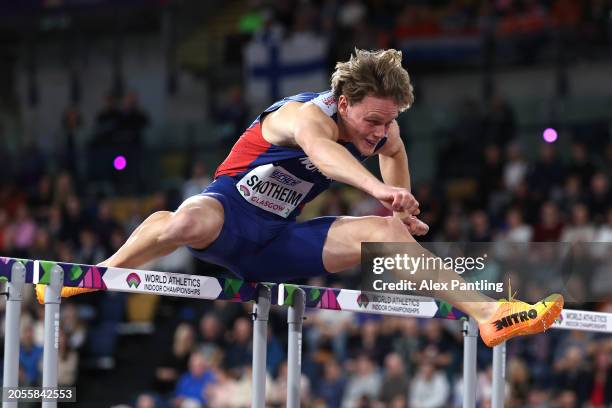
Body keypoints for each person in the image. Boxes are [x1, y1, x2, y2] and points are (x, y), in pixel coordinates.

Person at [36, 49, 563, 348]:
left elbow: (394, 158)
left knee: (387, 235)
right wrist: (376, 186)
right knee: (187, 220)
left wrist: (397, 205)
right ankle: (95, 274)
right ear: (343, 102)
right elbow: (325, 155)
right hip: (225, 221)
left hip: (276, 244)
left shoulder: (383, 130)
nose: (380, 133)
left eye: (389, 122)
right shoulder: (303, 116)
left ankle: (490, 313)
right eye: (372, 121)